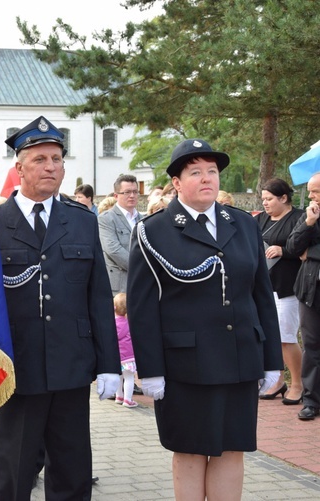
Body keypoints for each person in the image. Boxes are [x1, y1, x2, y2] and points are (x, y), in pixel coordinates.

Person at [128, 138, 282, 500]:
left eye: (212, 171)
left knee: (233, 447)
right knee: (191, 449)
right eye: (195, 172)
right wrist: (150, 368)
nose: (206, 178)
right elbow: (142, 307)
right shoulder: (154, 231)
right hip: (186, 364)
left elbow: (261, 295)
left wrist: (272, 359)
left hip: (240, 357)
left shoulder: (243, 224)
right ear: (177, 183)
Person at [0, 116, 120, 500]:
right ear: (19, 168)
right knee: (14, 469)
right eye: (40, 159)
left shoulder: (82, 221)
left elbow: (98, 298)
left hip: (70, 364)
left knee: (72, 467)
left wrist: (109, 365)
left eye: (57, 159)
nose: (51, 166)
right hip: (16, 366)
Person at [254, 178, 304, 404]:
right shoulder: (261, 219)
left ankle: (298, 383)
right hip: (265, 287)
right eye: (263, 199)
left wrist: (283, 251)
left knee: (286, 337)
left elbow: (303, 247)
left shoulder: (299, 217)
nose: (265, 203)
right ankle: (276, 381)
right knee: (269, 337)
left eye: (269, 199)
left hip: (288, 287)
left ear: (283, 198)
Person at [286, 172, 320, 421]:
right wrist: (308, 224)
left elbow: (307, 252)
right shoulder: (307, 215)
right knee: (312, 346)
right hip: (310, 292)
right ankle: (311, 400)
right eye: (309, 190)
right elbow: (292, 247)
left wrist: (313, 251)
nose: (310, 195)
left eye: (315, 190)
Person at [98, 174, 142, 294]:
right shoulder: (106, 219)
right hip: (120, 287)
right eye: (127, 192)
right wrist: (141, 267)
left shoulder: (144, 219)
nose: (132, 196)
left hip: (142, 283)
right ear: (116, 195)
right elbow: (113, 249)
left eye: (135, 192)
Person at [112, 292, 137, 408]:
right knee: (129, 378)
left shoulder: (112, 323)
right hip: (128, 356)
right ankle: (128, 400)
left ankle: (119, 396)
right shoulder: (129, 323)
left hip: (116, 356)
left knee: (118, 377)